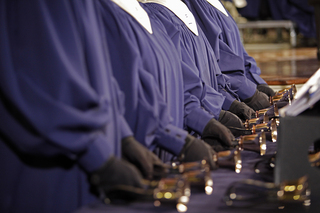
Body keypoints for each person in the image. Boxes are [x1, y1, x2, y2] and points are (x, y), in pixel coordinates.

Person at [0, 1, 163, 212]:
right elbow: (38, 76)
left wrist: (124, 138)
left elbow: (100, 75)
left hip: (89, 159)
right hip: (51, 169)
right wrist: (99, 157)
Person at [97, 0, 234, 155]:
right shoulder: (110, 16)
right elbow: (131, 94)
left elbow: (182, 81)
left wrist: (205, 121)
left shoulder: (148, 16)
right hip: (144, 152)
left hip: (170, 144)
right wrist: (177, 139)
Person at [140, 0, 270, 121]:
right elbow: (191, 76)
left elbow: (223, 58)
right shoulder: (163, 11)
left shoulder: (187, 6)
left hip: (215, 105)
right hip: (202, 112)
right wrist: (232, 101)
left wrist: (256, 81)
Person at [181, 0, 275, 99]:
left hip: (241, 88)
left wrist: (256, 81)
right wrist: (249, 93)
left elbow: (239, 50)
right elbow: (220, 58)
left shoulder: (215, 2)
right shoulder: (195, 4)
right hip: (227, 94)